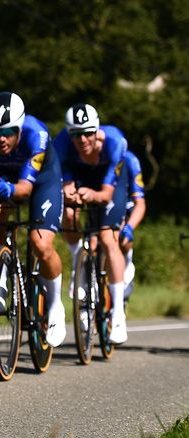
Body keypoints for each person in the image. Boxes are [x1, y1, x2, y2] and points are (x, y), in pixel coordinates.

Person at [0, 92, 66, 347]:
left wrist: (7, 189)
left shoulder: (36, 134)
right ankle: (2, 276)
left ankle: (55, 305)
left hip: (41, 182)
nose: (1, 138)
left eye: (8, 131)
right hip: (3, 176)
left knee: (40, 243)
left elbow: (24, 190)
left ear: (19, 126)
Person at [53, 103, 129, 344]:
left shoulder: (115, 142)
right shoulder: (62, 143)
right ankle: (79, 262)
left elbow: (106, 194)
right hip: (80, 177)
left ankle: (118, 313)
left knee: (107, 238)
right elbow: (64, 182)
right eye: (76, 134)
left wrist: (91, 194)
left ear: (97, 130)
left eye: (88, 133)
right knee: (70, 213)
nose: (82, 139)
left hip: (110, 185)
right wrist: (70, 193)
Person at [120, 150, 146, 299]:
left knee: (121, 233)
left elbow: (140, 203)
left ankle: (127, 268)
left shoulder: (130, 160)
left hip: (126, 202)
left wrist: (129, 228)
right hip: (103, 202)